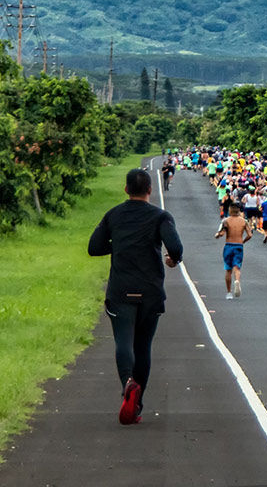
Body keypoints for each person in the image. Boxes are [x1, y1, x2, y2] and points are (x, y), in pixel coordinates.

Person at [87, 167, 184, 425]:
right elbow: (175, 247)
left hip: (120, 290)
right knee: (143, 347)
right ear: (150, 190)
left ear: (126, 190)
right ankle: (137, 405)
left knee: (123, 341)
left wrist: (119, 244)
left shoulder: (113, 215)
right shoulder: (161, 217)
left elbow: (94, 248)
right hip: (150, 292)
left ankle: (128, 383)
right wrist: (172, 259)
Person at [214, 204, 251, 300]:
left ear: (230, 210)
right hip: (239, 245)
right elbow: (250, 235)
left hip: (229, 245)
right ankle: (237, 281)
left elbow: (221, 233)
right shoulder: (244, 221)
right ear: (238, 211)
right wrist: (243, 241)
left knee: (228, 270)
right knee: (237, 267)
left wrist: (218, 234)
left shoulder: (226, 221)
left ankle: (229, 292)